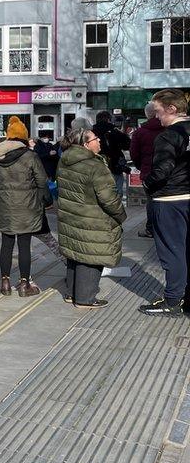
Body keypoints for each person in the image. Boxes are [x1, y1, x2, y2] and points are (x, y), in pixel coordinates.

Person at [56, 128, 126, 309]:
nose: (100, 141)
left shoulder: (64, 160)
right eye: (96, 138)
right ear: (86, 144)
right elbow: (108, 198)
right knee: (91, 255)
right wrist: (120, 215)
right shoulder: (94, 166)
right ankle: (85, 298)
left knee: (75, 253)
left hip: (71, 216)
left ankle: (71, 293)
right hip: (93, 219)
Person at [139, 89, 190, 316]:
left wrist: (148, 185)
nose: (157, 117)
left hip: (169, 199)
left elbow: (162, 170)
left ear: (172, 109)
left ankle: (172, 300)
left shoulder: (168, 135)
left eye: (159, 112)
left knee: (173, 251)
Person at [0, 116, 48, 297]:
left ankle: (4, 282)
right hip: (27, 206)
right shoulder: (30, 156)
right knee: (24, 245)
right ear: (23, 137)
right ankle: (23, 283)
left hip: (4, 206)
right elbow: (42, 180)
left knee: (6, 244)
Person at [131, 102, 165, 238]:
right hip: (167, 171)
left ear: (146, 115)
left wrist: (142, 167)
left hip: (148, 172)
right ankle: (165, 228)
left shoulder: (140, 132)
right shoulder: (168, 129)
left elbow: (134, 154)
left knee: (151, 201)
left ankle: (151, 229)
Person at [92, 110, 132, 196]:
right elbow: (127, 145)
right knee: (116, 193)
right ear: (108, 120)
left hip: (96, 168)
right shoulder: (114, 132)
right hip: (114, 167)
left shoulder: (91, 133)